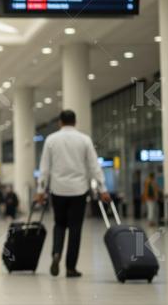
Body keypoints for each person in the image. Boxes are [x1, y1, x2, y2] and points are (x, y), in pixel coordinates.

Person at [35, 110, 110, 279]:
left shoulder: (51, 140)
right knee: (75, 228)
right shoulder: (84, 140)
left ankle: (56, 253)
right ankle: (70, 268)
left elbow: (44, 168)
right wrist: (102, 189)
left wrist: (40, 191)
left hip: (58, 190)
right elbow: (94, 166)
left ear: (60, 122)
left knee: (59, 224)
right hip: (79, 190)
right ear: (75, 122)